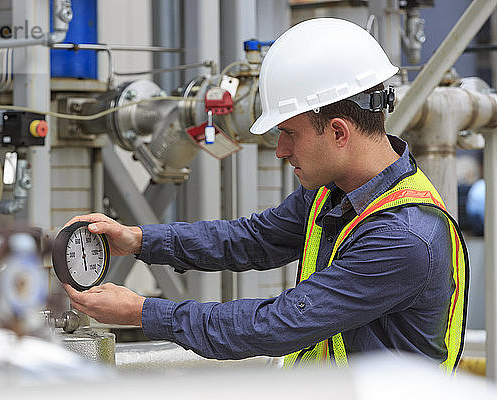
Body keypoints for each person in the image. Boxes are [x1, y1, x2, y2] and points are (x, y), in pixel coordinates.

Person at [62, 18, 468, 371]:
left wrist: (142, 313)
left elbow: (277, 324)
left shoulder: (404, 238)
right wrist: (140, 241)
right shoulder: (334, 193)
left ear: (339, 132)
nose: (281, 150)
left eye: (289, 133)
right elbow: (252, 239)